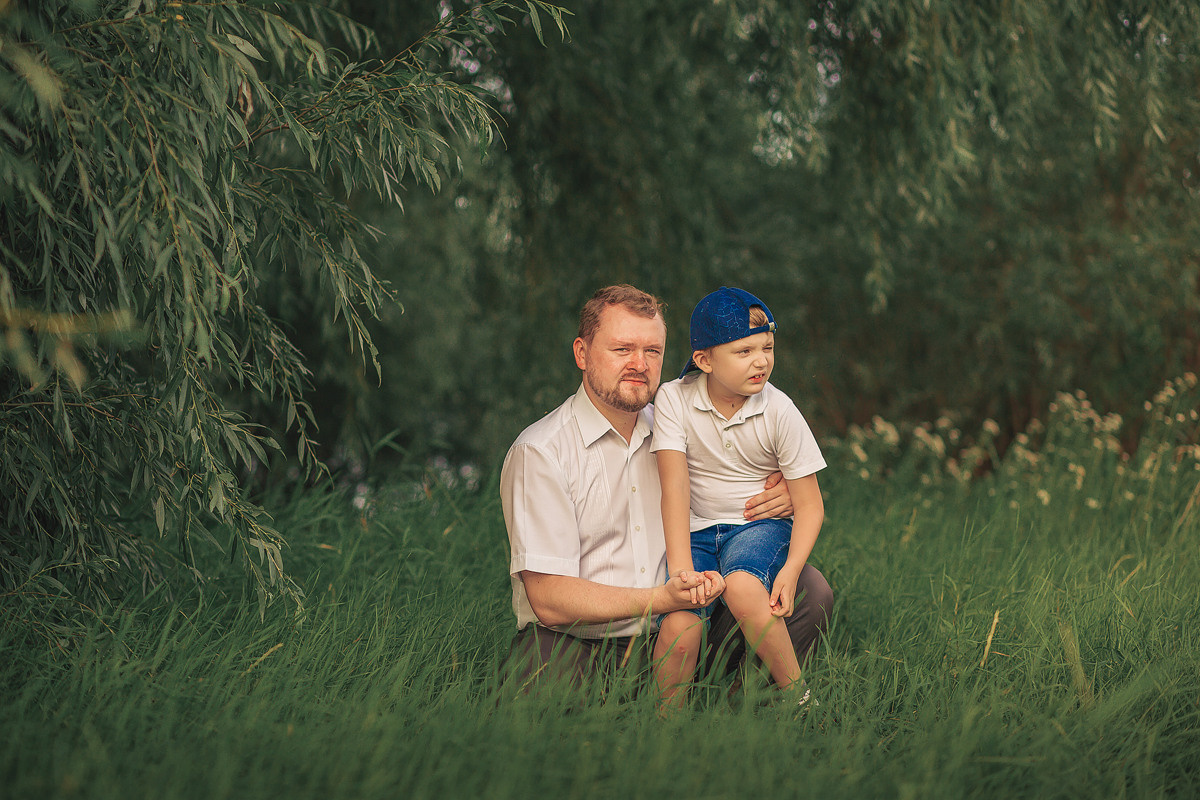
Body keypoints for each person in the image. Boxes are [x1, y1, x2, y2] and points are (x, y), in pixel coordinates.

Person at [500, 284, 832, 690]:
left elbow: (741, 474)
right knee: (540, 668)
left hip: (684, 628)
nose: (639, 363)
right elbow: (548, 599)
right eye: (622, 349)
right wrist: (662, 599)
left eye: (652, 351)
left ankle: (744, 709)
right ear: (582, 353)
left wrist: (785, 495)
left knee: (809, 591)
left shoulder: (682, 425)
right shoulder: (541, 452)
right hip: (581, 642)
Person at [650, 287, 826, 708]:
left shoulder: (779, 410)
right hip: (696, 531)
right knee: (679, 625)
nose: (761, 361)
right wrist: (681, 571)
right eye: (744, 351)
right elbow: (674, 488)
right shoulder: (674, 398)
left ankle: (798, 698)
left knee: (745, 588)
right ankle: (663, 726)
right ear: (704, 360)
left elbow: (810, 505)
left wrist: (790, 571)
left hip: (756, 527)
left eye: (767, 347)